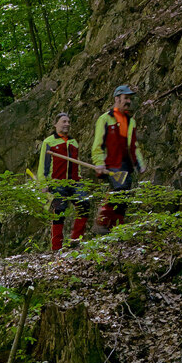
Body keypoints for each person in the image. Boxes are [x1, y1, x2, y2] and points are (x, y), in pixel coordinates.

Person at [35, 111, 92, 252]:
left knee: (84, 204)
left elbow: (76, 165)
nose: (67, 124)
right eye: (64, 121)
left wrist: (79, 179)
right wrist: (44, 184)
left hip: (74, 182)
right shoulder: (49, 142)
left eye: (68, 122)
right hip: (57, 182)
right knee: (59, 211)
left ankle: (76, 240)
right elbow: (44, 165)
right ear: (56, 124)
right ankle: (56, 248)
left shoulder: (74, 142)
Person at [92, 84, 139, 231]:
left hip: (127, 165)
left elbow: (134, 146)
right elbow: (97, 144)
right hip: (111, 163)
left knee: (124, 197)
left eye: (130, 99)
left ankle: (114, 229)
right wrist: (99, 162)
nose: (128, 101)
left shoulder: (131, 121)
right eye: (126, 98)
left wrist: (140, 164)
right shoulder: (105, 119)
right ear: (117, 99)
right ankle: (101, 222)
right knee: (119, 189)